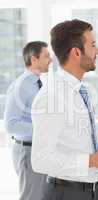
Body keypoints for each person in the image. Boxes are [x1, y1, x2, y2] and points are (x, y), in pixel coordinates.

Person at [31, 19, 98, 200]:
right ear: (76, 52)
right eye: (93, 45)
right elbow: (40, 160)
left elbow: (74, 142)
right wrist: (92, 160)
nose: (97, 51)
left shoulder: (80, 90)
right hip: (67, 193)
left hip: (89, 190)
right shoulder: (53, 96)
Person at [4, 41, 51, 200]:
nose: (50, 60)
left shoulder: (37, 84)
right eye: (46, 56)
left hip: (37, 149)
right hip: (27, 150)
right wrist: (42, 128)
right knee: (32, 197)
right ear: (34, 59)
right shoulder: (21, 86)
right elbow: (11, 124)